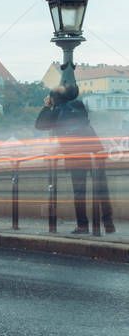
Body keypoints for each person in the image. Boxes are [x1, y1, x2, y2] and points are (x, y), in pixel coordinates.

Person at [35, 84, 114, 234]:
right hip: (95, 149)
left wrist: (47, 106)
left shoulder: (56, 112)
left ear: (52, 99)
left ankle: (82, 226)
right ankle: (108, 224)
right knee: (102, 189)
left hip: (75, 153)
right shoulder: (79, 105)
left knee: (79, 191)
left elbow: (39, 124)